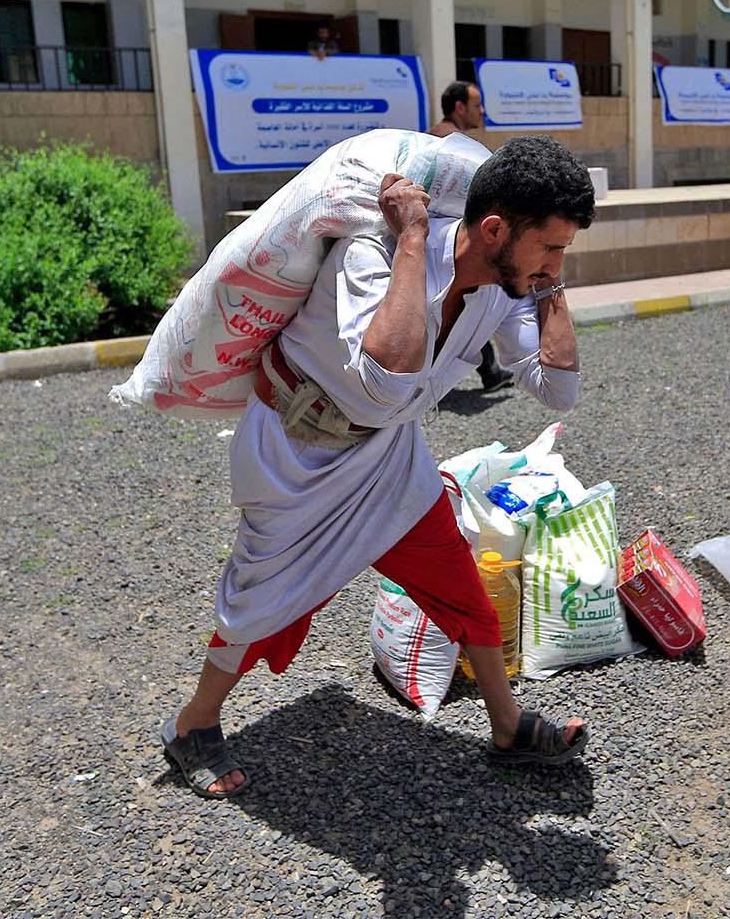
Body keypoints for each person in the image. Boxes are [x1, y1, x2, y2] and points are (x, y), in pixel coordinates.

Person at [160, 135, 595, 798]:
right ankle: (193, 724)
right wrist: (414, 238)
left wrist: (547, 283)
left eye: (564, 249)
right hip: (295, 451)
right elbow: (386, 383)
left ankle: (507, 725)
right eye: (551, 246)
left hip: (387, 455)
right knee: (258, 598)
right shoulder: (375, 251)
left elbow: (556, 387)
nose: (556, 261)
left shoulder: (504, 289)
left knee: (459, 581)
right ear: (495, 229)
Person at [428, 81, 510, 391]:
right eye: (477, 105)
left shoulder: (437, 134)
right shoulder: (452, 141)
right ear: (460, 107)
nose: (482, 111)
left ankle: (488, 371)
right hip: (448, 246)